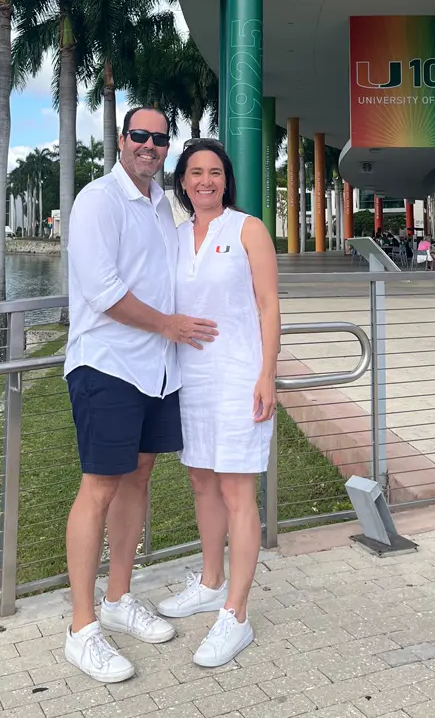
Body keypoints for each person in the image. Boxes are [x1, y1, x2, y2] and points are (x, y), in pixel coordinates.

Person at [63, 108, 219, 684]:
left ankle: (118, 597)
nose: (150, 146)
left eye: (159, 138)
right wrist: (168, 326)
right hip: (107, 365)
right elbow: (102, 292)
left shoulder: (161, 205)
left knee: (138, 479)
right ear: (122, 140)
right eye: (140, 136)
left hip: (157, 370)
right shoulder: (97, 201)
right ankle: (82, 629)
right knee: (99, 487)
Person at [156, 139, 281, 668]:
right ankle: (210, 581)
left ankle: (236, 613)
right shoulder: (175, 236)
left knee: (236, 489)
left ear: (225, 180)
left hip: (238, 377)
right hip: (193, 380)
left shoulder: (247, 229)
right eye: (194, 173)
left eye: (214, 172)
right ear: (182, 182)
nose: (204, 181)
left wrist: (267, 375)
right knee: (201, 479)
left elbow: (269, 303)